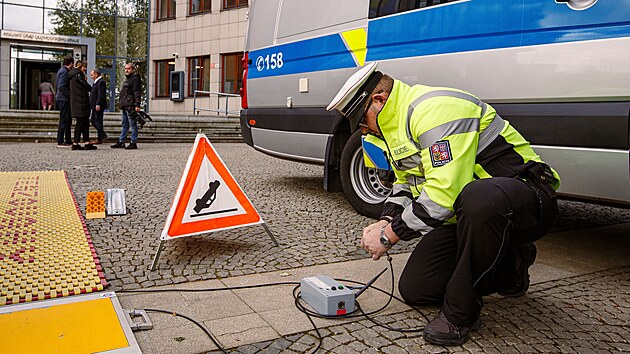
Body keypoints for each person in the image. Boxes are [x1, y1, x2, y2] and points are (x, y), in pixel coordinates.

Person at [327, 62, 560, 346]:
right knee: (416, 289)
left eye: (363, 122)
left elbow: (444, 195)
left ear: (378, 100)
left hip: (526, 198)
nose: (364, 130)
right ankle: (512, 263)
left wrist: (389, 237)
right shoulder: (392, 128)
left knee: (478, 196)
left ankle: (461, 314)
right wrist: (385, 220)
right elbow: (404, 183)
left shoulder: (433, 110)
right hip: (468, 216)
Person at [111, 63, 142, 150]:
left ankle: (133, 142)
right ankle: (121, 141)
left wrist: (137, 104)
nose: (126, 70)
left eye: (128, 69)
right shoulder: (128, 79)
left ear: (132, 69)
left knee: (133, 125)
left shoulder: (135, 79)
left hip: (130, 105)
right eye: (125, 69)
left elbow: (137, 92)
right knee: (125, 124)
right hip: (125, 105)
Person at [68, 60, 95, 151]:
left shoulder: (72, 75)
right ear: (80, 67)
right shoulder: (78, 75)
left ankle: (86, 142)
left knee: (84, 123)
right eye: (84, 67)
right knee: (80, 124)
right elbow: (86, 86)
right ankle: (76, 143)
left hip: (77, 102)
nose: (85, 68)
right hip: (81, 103)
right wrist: (91, 88)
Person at [56, 57, 74, 147]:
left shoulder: (62, 71)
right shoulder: (64, 72)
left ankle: (67, 139)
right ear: (70, 63)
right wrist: (71, 95)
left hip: (62, 99)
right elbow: (62, 86)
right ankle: (60, 139)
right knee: (64, 119)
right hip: (64, 99)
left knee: (67, 120)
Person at [89, 68, 108, 144]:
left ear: (96, 74)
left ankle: (100, 138)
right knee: (93, 120)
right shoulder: (96, 82)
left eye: (92, 75)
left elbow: (101, 94)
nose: (91, 76)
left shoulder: (101, 82)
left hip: (98, 106)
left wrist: (98, 104)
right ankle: (102, 134)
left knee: (98, 121)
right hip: (94, 105)